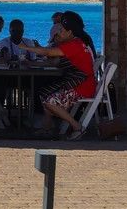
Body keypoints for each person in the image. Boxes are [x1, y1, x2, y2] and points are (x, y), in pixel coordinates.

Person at [19, 11, 97, 140]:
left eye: (61, 30)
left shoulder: (75, 45)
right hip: (78, 84)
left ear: (70, 32)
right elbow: (54, 61)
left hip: (82, 87)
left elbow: (48, 52)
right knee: (44, 92)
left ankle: (77, 127)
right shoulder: (74, 43)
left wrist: (26, 48)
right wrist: (33, 62)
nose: (59, 32)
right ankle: (47, 128)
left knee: (50, 101)